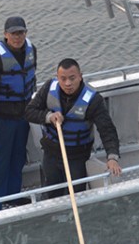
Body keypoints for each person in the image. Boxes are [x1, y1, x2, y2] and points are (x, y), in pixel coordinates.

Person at [25, 58, 122, 198]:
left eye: (72, 78)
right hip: (51, 153)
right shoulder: (48, 88)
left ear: (80, 76)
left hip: (77, 157)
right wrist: (48, 117)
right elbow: (29, 111)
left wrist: (112, 157)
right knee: (51, 191)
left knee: (76, 193)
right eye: (63, 79)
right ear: (57, 78)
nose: (68, 83)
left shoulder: (93, 100)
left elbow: (107, 130)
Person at [0, 16, 37, 212]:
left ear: (26, 33)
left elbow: (32, 78)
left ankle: (13, 198)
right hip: (1, 119)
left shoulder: (31, 50)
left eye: (21, 32)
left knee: (18, 159)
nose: (17, 37)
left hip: (23, 117)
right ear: (5, 35)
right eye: (13, 33)